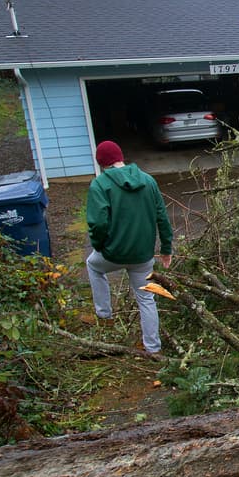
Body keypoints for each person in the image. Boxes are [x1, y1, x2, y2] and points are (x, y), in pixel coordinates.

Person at [85, 140, 173, 358]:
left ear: (101, 163)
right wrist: (166, 249)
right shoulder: (148, 180)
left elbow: (98, 224)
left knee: (93, 266)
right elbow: (162, 217)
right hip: (143, 256)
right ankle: (153, 349)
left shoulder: (100, 185)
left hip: (112, 254)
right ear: (120, 157)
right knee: (146, 298)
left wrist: (99, 245)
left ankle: (104, 315)